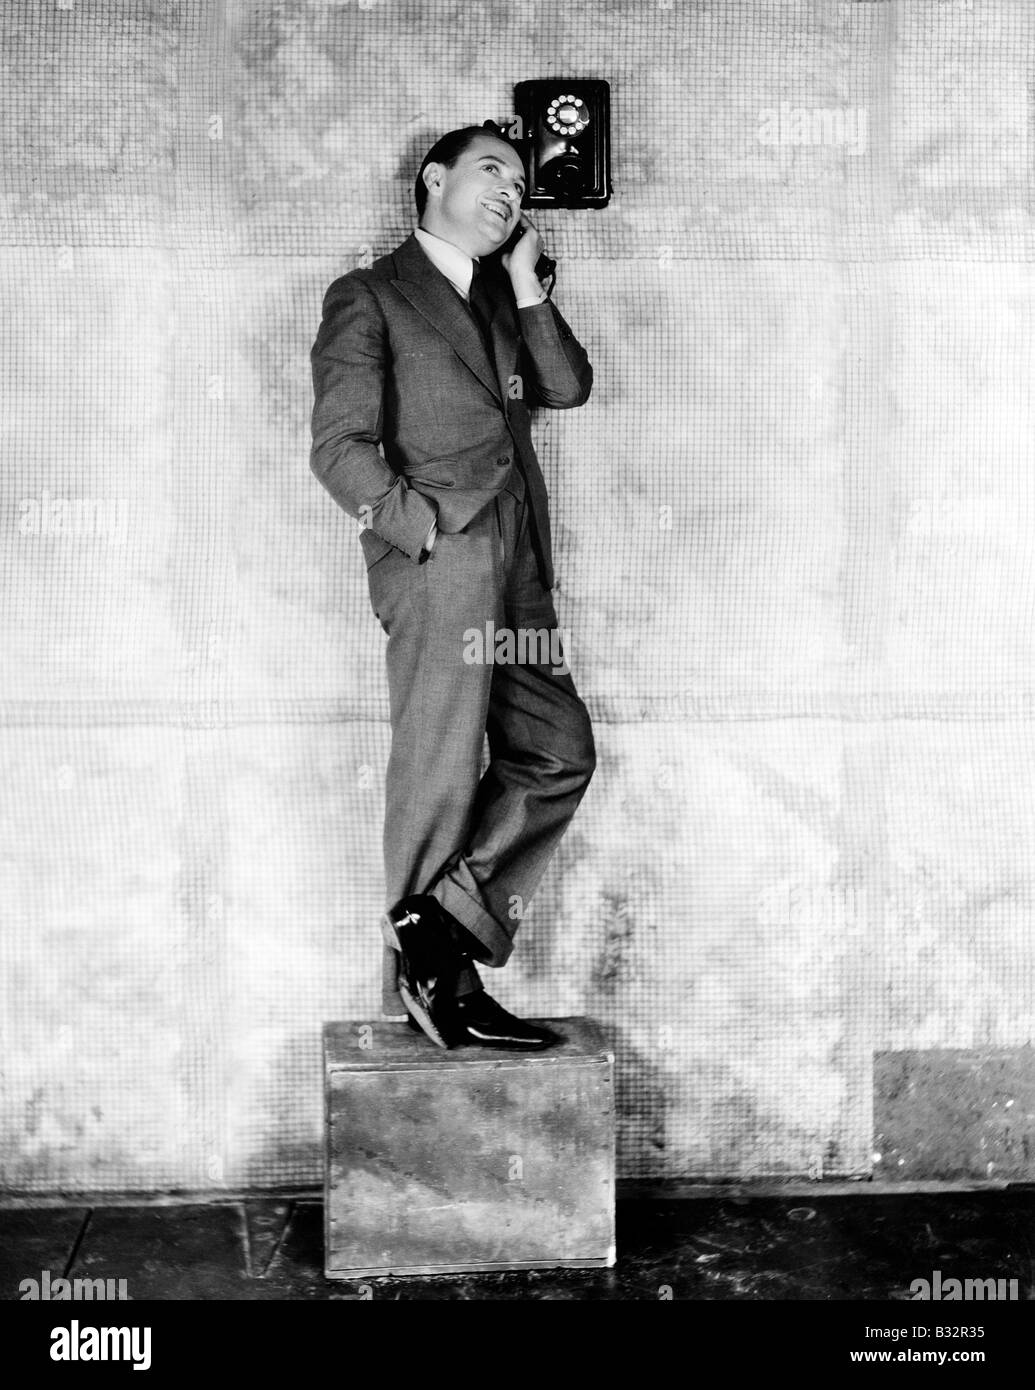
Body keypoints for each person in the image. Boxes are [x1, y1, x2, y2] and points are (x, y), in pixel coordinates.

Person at [310, 125, 595, 1050]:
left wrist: (524, 284)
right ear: (433, 179)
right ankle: (437, 987)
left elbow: (567, 386)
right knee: (437, 771)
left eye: (521, 183)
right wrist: (420, 531)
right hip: (444, 562)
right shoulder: (371, 295)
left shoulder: (505, 300)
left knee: (556, 748)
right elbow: (338, 447)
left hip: (518, 566)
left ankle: (437, 928)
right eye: (492, 172)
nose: (513, 192)